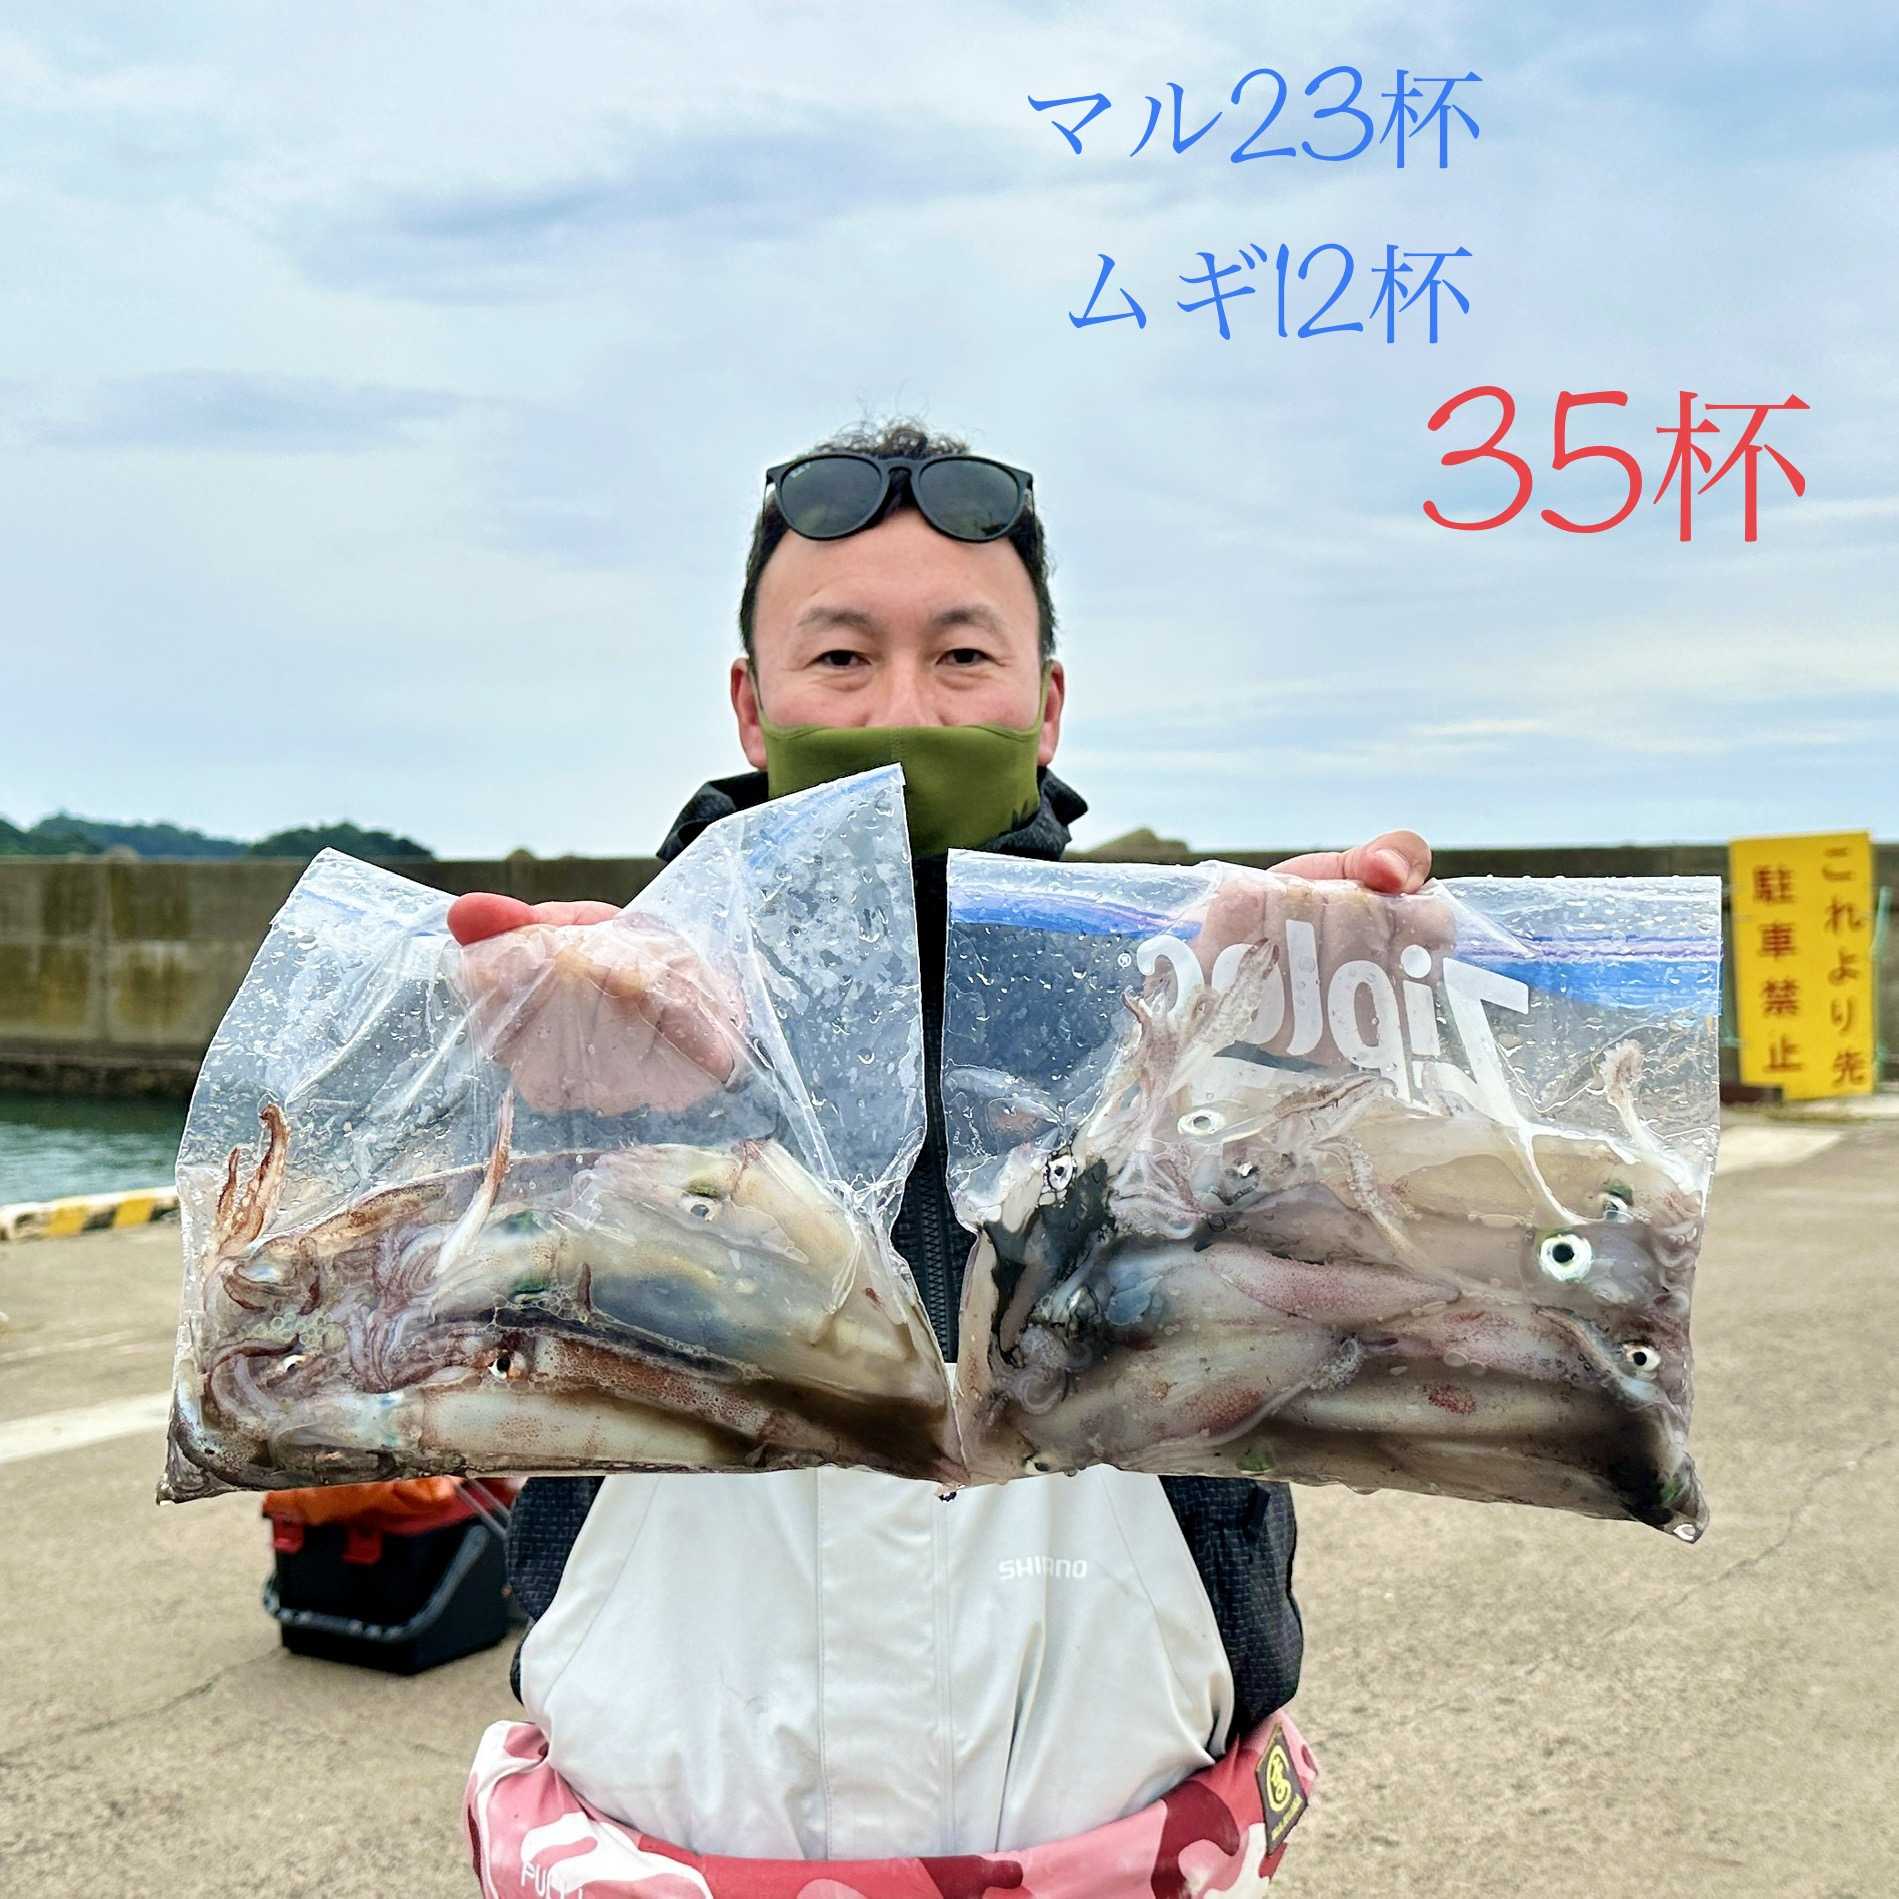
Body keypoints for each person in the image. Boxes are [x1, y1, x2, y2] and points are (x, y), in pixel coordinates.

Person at [453, 419, 1432, 1893]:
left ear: (1047, 707)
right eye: (842, 658)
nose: (903, 707)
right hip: (649, 1830)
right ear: (751, 705)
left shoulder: (1184, 997)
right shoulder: (605, 1012)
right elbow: (439, 1366)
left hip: (1131, 1826)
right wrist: (528, 1112)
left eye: (963, 658)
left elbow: (1331, 1354)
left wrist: (1293, 1063)